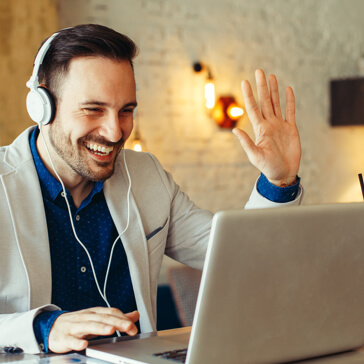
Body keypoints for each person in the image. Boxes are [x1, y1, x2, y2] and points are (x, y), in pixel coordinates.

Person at [0, 24, 302, 354]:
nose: (115, 132)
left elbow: (241, 256)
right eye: (93, 109)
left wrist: (278, 182)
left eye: (126, 110)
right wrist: (43, 327)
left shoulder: (147, 176)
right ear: (42, 105)